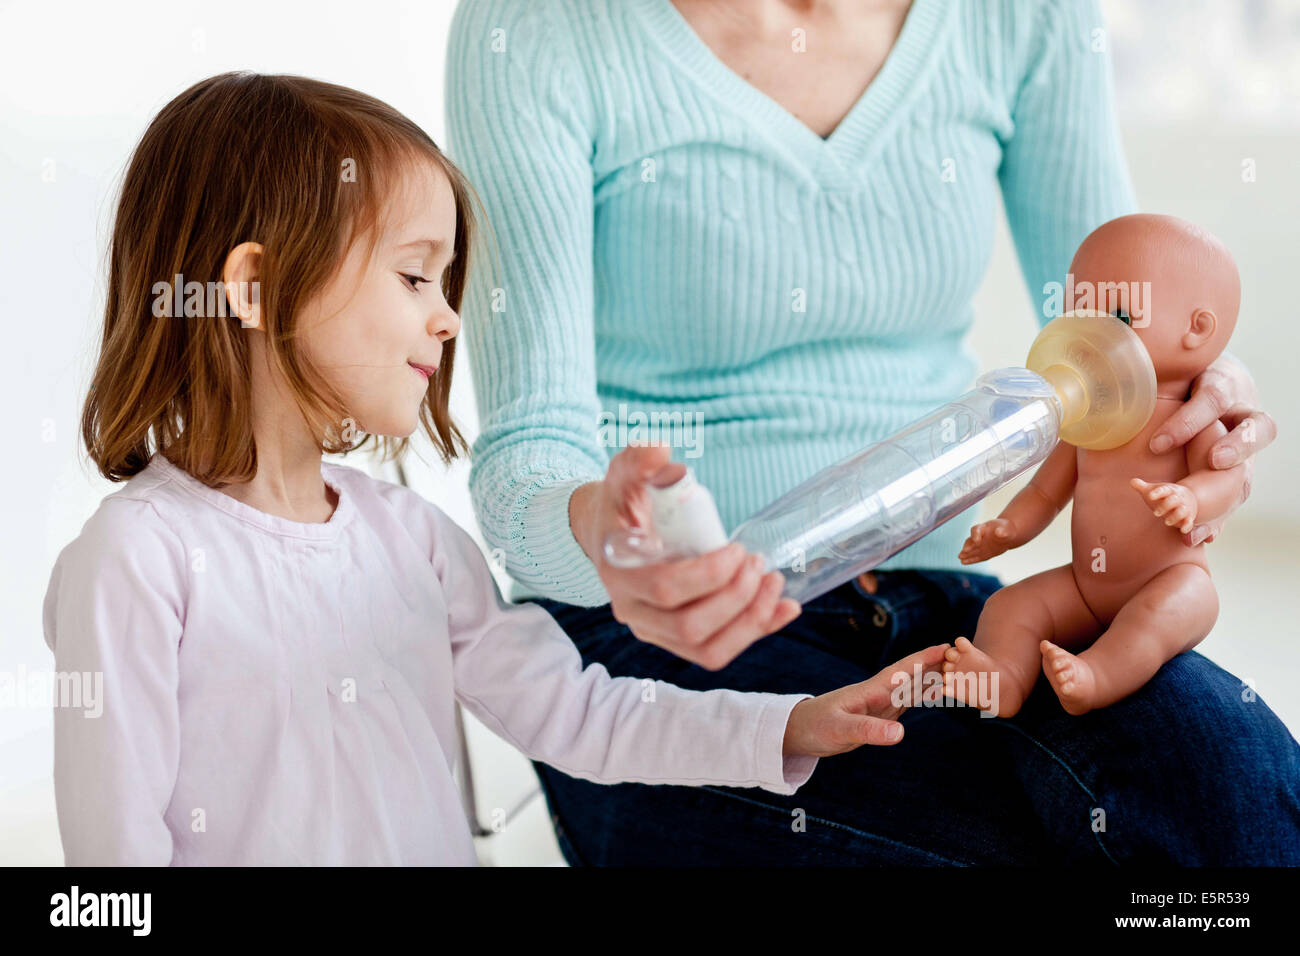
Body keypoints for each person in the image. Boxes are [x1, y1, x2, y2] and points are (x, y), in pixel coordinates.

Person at [446, 0, 1296, 864]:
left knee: (1231, 777)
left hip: (940, 602)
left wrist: (1199, 388)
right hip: (663, 642)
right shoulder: (545, 30)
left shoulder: (1020, 17)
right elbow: (524, 466)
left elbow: (1121, 325)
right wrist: (610, 542)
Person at [42, 71, 941, 866]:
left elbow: (584, 715)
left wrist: (784, 724)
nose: (448, 320)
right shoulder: (135, 559)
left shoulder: (415, 544)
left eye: (448, 283)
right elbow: (114, 854)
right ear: (252, 285)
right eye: (413, 277)